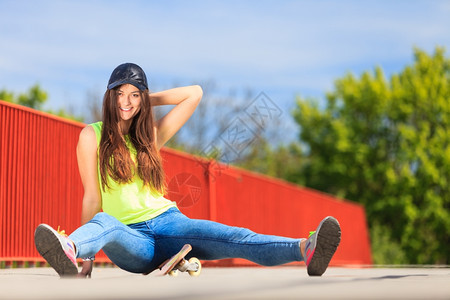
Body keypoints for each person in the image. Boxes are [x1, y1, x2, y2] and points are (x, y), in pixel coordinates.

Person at [34, 63, 341, 278]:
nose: (125, 101)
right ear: (109, 96)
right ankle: (69, 248)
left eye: (133, 94)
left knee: (235, 237)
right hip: (130, 240)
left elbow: (194, 93)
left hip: (170, 223)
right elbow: (91, 197)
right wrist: (87, 257)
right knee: (106, 222)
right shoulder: (92, 135)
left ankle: (307, 248)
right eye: (119, 94)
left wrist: (144, 101)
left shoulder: (149, 136)